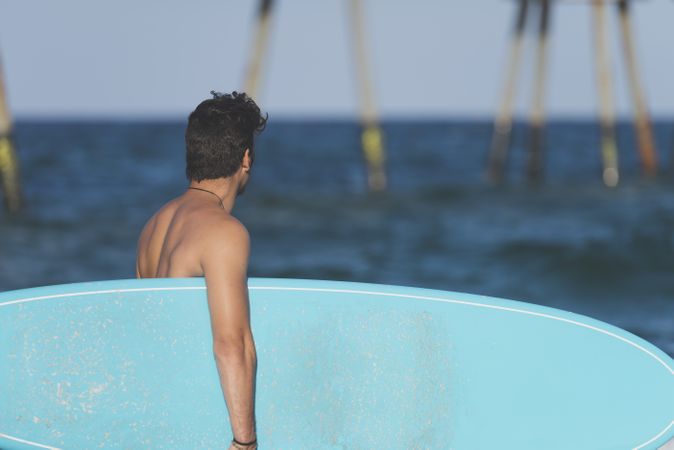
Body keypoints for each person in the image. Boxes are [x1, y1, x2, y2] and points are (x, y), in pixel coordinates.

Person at [136, 91, 267, 450]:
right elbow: (231, 344)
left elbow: (149, 333)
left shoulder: (151, 227)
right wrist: (245, 442)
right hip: (200, 426)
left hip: (159, 417)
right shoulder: (224, 233)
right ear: (245, 159)